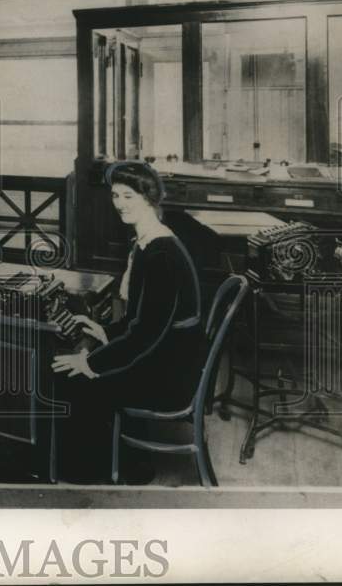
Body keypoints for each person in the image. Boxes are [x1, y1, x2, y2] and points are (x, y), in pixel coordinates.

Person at [50, 161, 203, 484]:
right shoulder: (152, 241)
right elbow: (143, 321)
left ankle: (98, 473)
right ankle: (125, 459)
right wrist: (104, 330)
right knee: (78, 366)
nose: (119, 203)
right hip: (170, 357)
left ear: (149, 197)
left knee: (69, 377)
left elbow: (146, 336)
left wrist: (90, 362)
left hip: (170, 376)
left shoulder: (160, 254)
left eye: (129, 196)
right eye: (116, 195)